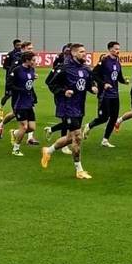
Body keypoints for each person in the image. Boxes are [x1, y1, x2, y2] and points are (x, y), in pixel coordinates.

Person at [42, 43, 94, 180]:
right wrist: (64, 91)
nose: (85, 54)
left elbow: (87, 84)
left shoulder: (85, 69)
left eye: (85, 51)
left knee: (71, 137)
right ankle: (79, 169)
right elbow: (51, 83)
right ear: (74, 53)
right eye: (82, 52)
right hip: (67, 107)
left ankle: (48, 150)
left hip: (79, 106)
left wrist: (92, 88)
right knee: (77, 137)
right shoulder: (64, 68)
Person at [83, 41, 127, 148]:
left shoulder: (117, 62)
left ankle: (105, 140)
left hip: (115, 95)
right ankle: (89, 125)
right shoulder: (103, 61)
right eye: (116, 49)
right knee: (103, 118)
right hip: (104, 95)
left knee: (114, 118)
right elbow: (94, 74)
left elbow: (118, 77)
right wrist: (103, 84)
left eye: (119, 49)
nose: (118, 51)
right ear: (110, 49)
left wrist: (124, 81)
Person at [0, 51, 37, 157]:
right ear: (27, 60)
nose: (35, 62)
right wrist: (20, 90)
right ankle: (16, 149)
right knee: (24, 127)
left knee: (32, 128)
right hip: (19, 102)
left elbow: (29, 84)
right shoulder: (17, 70)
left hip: (29, 102)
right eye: (33, 60)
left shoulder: (32, 70)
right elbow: (9, 84)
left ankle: (15, 133)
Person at [0, 39, 23, 120]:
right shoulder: (10, 54)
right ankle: (1, 108)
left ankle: (14, 112)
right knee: (8, 95)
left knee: (17, 96)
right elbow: (5, 66)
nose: (19, 47)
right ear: (14, 45)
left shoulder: (22, 55)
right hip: (10, 78)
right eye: (18, 45)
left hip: (18, 80)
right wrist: (13, 69)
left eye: (20, 45)